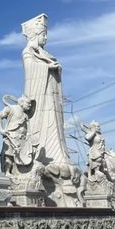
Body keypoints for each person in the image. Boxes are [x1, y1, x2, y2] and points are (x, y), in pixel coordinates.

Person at [21, 13, 71, 166]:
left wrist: (55, 69)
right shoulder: (28, 52)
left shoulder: (45, 54)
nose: (46, 38)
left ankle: (59, 155)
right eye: (43, 34)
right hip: (41, 98)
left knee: (56, 126)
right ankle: (44, 155)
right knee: (45, 125)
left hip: (52, 96)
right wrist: (47, 67)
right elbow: (30, 69)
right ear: (35, 35)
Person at [0, 94, 35, 175]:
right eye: (28, 103)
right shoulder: (11, 108)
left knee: (21, 157)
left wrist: (28, 135)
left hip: (22, 139)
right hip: (11, 136)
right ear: (22, 103)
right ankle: (7, 172)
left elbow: (26, 127)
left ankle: (18, 172)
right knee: (8, 155)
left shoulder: (25, 114)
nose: (30, 105)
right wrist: (1, 130)